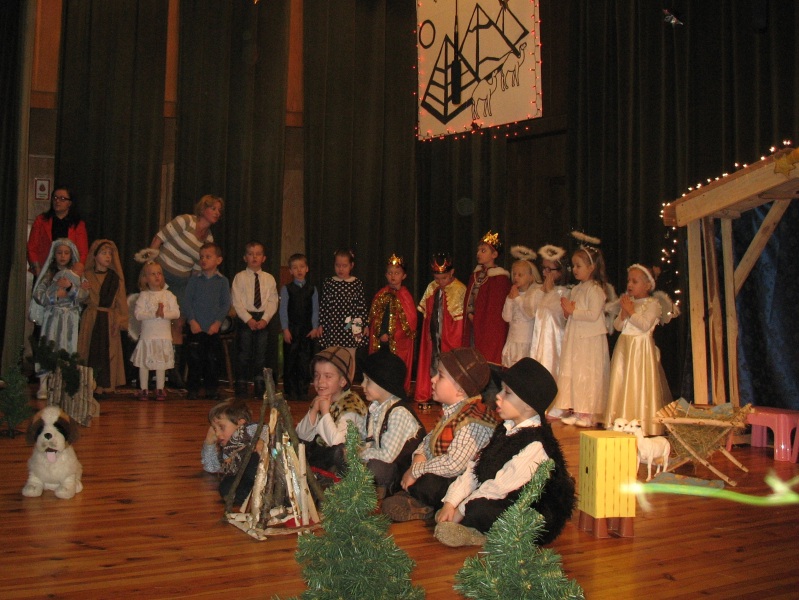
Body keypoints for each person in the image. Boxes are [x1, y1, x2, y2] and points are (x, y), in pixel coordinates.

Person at [433, 357, 576, 548]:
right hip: (501, 497)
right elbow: (476, 468)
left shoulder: (536, 444)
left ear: (528, 405)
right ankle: (470, 525)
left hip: (528, 512)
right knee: (449, 489)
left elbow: (500, 486)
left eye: (507, 393)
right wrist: (451, 502)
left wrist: (461, 509)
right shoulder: (505, 428)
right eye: (500, 390)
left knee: (479, 509)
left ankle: (478, 535)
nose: (498, 396)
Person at [382, 347, 497, 522]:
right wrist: (419, 457)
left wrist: (416, 470)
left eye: (440, 376)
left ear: (460, 389)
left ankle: (421, 503)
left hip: (459, 482)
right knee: (408, 459)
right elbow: (429, 439)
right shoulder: (454, 410)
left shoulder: (474, 420)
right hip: (440, 471)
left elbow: (454, 465)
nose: (433, 379)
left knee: (432, 483)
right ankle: (411, 495)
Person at [149, 194, 224, 387]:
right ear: (203, 209)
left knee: (179, 322)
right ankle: (150, 369)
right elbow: (158, 239)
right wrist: (150, 267)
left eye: (219, 210)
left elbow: (198, 270)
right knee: (155, 319)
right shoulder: (185, 221)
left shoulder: (209, 239)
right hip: (162, 274)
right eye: (213, 208)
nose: (217, 213)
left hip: (182, 282)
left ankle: (173, 370)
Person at [604, 264, 673, 436]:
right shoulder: (629, 302)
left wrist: (630, 311)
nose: (630, 284)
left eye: (634, 281)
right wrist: (623, 313)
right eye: (629, 281)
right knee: (622, 382)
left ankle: (642, 422)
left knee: (638, 383)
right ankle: (620, 420)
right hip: (624, 348)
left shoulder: (653, 304)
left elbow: (644, 325)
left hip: (640, 349)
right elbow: (618, 326)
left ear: (648, 285)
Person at [550, 243, 610, 428]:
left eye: (578, 266)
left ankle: (588, 412)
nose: (574, 269)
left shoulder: (596, 290)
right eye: (573, 265)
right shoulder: (576, 289)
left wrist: (573, 311)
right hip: (576, 338)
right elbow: (574, 313)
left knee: (587, 374)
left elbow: (593, 314)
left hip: (589, 340)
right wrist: (567, 312)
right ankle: (576, 409)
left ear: (591, 267)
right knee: (575, 372)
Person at [359, 348, 426, 499]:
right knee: (341, 452)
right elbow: (364, 438)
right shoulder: (375, 408)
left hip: (399, 472)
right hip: (380, 461)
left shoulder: (399, 412)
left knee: (375, 467)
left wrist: (359, 454)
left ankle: (384, 488)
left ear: (385, 384)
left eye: (367, 380)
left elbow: (387, 456)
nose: (362, 385)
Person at [29, 239, 89, 399]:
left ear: (71, 255)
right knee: (49, 346)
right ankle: (43, 384)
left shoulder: (78, 274)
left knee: (68, 347)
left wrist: (70, 288)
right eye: (59, 253)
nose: (63, 256)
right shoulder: (49, 274)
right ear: (54, 255)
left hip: (70, 318)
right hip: (53, 316)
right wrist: (54, 295)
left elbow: (84, 295)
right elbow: (38, 294)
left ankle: (64, 383)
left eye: (66, 253)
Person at [295, 346, 368, 474]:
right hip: (323, 456)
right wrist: (314, 411)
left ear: (342, 381)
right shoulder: (322, 399)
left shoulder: (351, 406)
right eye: (317, 375)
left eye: (328, 376)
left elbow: (337, 442)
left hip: (345, 465)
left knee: (337, 452)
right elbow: (302, 434)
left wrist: (325, 412)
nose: (320, 381)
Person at [414, 252, 466, 407]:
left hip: (450, 336)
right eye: (437, 278)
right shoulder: (432, 287)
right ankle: (432, 392)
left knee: (448, 365)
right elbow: (427, 314)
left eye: (444, 278)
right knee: (433, 362)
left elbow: (459, 321)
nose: (440, 282)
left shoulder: (459, 289)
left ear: (452, 272)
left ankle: (449, 394)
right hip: (434, 333)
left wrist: (449, 335)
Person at [77, 240, 129, 396]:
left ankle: (105, 386)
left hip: (109, 318)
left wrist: (120, 320)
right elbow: (80, 299)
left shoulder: (115, 278)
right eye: (103, 253)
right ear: (95, 256)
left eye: (110, 253)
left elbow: (121, 301)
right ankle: (87, 383)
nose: (108, 256)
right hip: (92, 318)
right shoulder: (87, 276)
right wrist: (82, 291)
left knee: (108, 351)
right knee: (90, 349)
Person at [183, 242, 231, 401]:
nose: (203, 260)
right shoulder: (194, 280)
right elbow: (187, 302)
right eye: (201, 257)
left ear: (218, 260)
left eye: (208, 257)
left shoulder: (222, 281)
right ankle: (193, 389)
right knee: (194, 359)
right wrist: (192, 321)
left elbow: (225, 304)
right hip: (196, 328)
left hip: (213, 329)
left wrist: (217, 323)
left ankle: (212, 389)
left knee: (212, 360)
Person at [230, 241, 278, 398]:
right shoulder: (239, 277)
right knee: (243, 353)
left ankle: (259, 384)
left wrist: (265, 319)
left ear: (264, 258)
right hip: (246, 319)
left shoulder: (269, 278)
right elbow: (236, 301)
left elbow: (273, 301)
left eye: (258, 254)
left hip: (262, 318)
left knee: (261, 355)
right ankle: (241, 384)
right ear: (245, 258)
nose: (254, 257)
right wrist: (248, 319)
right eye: (250, 254)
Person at [367, 254, 417, 395]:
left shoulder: (406, 296)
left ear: (404, 275)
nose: (393, 276)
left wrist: (393, 335)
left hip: (398, 343)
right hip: (380, 341)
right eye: (390, 273)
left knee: (395, 367)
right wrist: (381, 333)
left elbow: (411, 321)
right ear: (385, 275)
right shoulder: (381, 294)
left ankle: (396, 391)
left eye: (397, 273)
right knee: (381, 366)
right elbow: (375, 318)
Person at [201, 399, 267, 506]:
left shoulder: (248, 430)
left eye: (221, 427)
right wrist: (209, 442)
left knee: (253, 459)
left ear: (240, 423)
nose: (217, 433)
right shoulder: (228, 450)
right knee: (225, 487)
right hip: (248, 479)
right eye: (214, 429)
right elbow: (211, 467)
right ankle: (258, 497)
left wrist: (261, 440)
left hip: (263, 468)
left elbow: (264, 429)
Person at [130, 261, 180, 399]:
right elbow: (138, 314)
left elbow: (176, 313)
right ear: (145, 278)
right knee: (144, 362)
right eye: (153, 274)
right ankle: (143, 388)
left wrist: (163, 314)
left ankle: (160, 388)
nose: (157, 276)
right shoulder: (144, 295)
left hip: (163, 336)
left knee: (161, 363)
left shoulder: (168, 295)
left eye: (159, 273)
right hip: (148, 336)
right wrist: (154, 314)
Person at [462, 230, 511, 365]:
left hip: (488, 330)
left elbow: (494, 311)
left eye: (483, 251)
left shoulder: (500, 279)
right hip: (473, 326)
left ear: (494, 255)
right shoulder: (475, 276)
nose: (478, 253)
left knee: (487, 357)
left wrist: (478, 318)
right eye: (478, 250)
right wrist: (470, 314)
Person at [522, 244, 569, 381]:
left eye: (549, 269)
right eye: (543, 268)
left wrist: (550, 292)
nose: (544, 273)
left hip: (556, 346)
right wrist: (543, 290)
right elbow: (530, 310)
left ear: (560, 271)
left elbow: (559, 313)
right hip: (539, 344)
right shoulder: (539, 290)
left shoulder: (566, 292)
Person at [279, 253, 320, 401]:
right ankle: (290, 391)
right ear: (290, 271)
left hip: (307, 331)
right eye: (295, 268)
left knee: (305, 362)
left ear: (307, 268)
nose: (299, 270)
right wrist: (285, 329)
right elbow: (283, 310)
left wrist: (315, 327)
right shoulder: (287, 289)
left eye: (302, 267)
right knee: (291, 361)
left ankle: (303, 390)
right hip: (292, 331)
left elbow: (315, 310)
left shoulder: (312, 289)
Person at [319, 248, 369, 368]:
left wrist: (365, 325)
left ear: (351, 265)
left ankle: (348, 379)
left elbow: (361, 306)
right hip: (333, 325)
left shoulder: (357, 283)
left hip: (353, 325)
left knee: (350, 356)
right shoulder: (329, 283)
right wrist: (321, 324)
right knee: (332, 355)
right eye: (338, 265)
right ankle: (334, 378)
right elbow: (324, 305)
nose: (340, 269)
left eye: (344, 266)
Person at [27, 187, 88, 277]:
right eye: (55, 198)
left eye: (62, 198)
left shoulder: (78, 224)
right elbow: (32, 247)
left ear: (70, 203)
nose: (57, 201)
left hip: (69, 272)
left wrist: (78, 268)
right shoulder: (41, 220)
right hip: (44, 270)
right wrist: (36, 267)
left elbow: (83, 251)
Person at [501, 248, 542, 367]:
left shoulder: (535, 293)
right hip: (512, 340)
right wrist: (509, 299)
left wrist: (517, 298)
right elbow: (506, 317)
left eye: (520, 275)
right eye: (514, 274)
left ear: (531, 277)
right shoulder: (514, 294)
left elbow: (530, 314)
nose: (516, 278)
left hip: (526, 341)